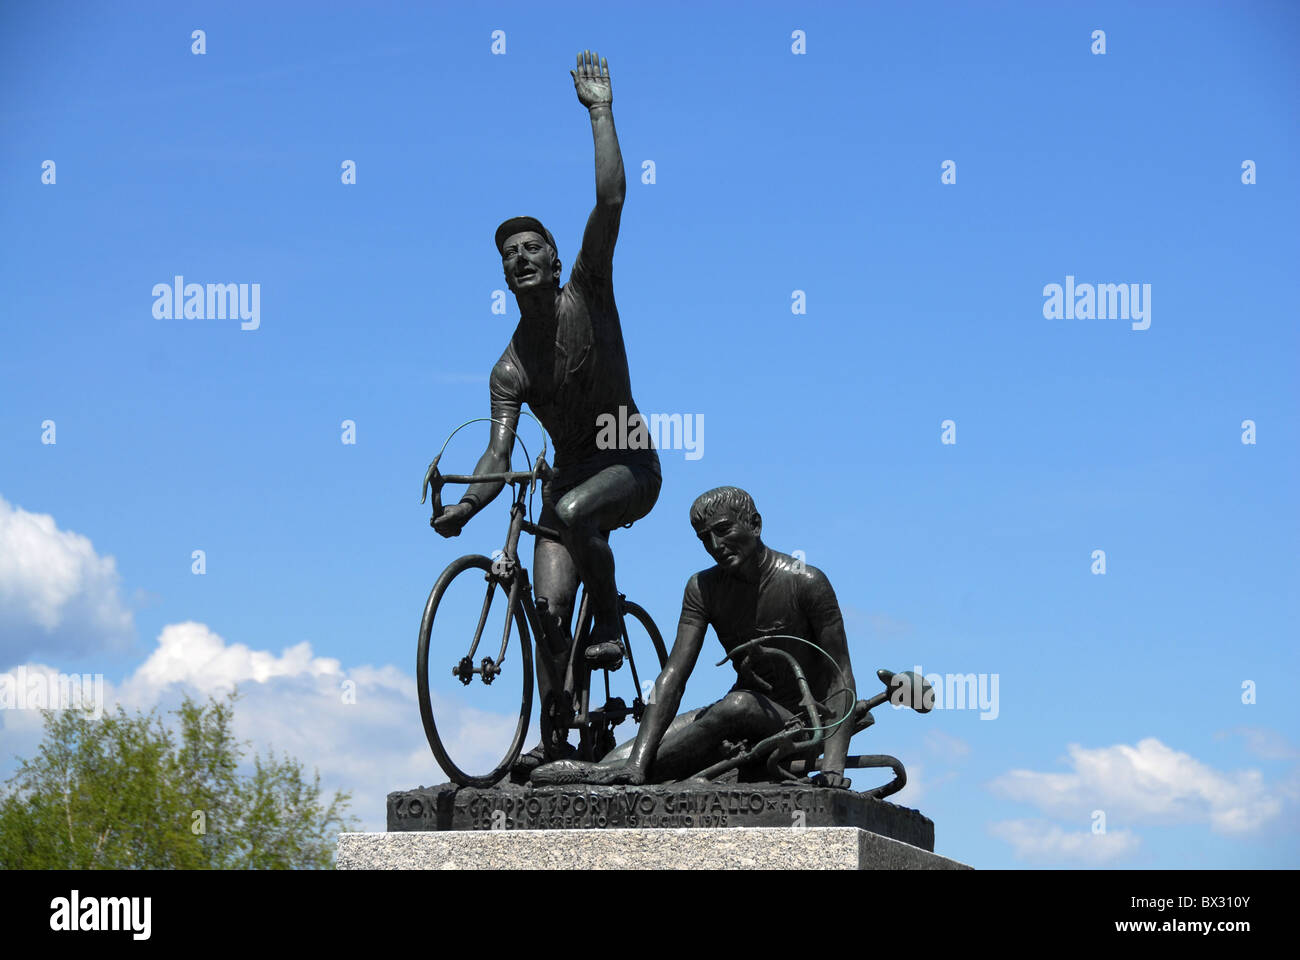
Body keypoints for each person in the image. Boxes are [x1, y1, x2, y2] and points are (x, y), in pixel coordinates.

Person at [431, 51, 661, 775]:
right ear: (502, 276)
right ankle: (562, 742)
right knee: (549, 609)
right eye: (509, 254)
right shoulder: (508, 368)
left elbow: (612, 202)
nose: (521, 258)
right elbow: (499, 454)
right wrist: (467, 505)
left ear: (557, 262)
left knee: (569, 513)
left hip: (628, 460)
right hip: (566, 483)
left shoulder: (589, 290)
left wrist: (600, 111)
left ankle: (616, 615)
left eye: (533, 248)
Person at [533, 486, 858, 787]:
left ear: (755, 525)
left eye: (724, 530)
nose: (716, 546)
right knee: (618, 758)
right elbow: (673, 676)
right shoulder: (702, 589)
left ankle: (613, 775)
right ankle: (616, 771)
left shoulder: (807, 582)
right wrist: (636, 760)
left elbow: (839, 678)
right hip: (736, 714)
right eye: (705, 538)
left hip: (798, 720)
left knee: (737, 705)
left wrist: (832, 767)